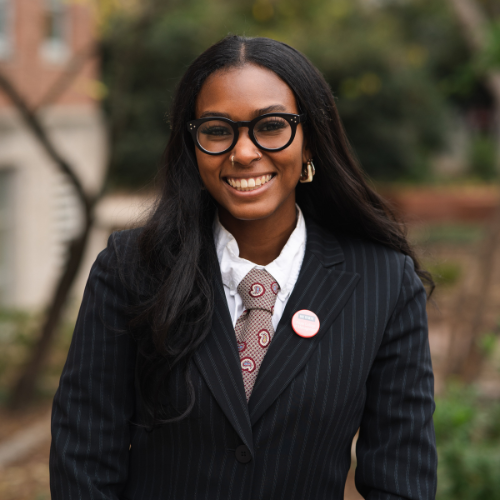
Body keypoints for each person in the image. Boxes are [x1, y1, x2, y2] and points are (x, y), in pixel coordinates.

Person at [50, 35, 437, 499]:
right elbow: (83, 462)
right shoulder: (130, 269)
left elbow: (402, 479)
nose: (244, 153)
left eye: (271, 126)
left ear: (310, 140)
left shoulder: (384, 283)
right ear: (192, 145)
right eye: (217, 130)